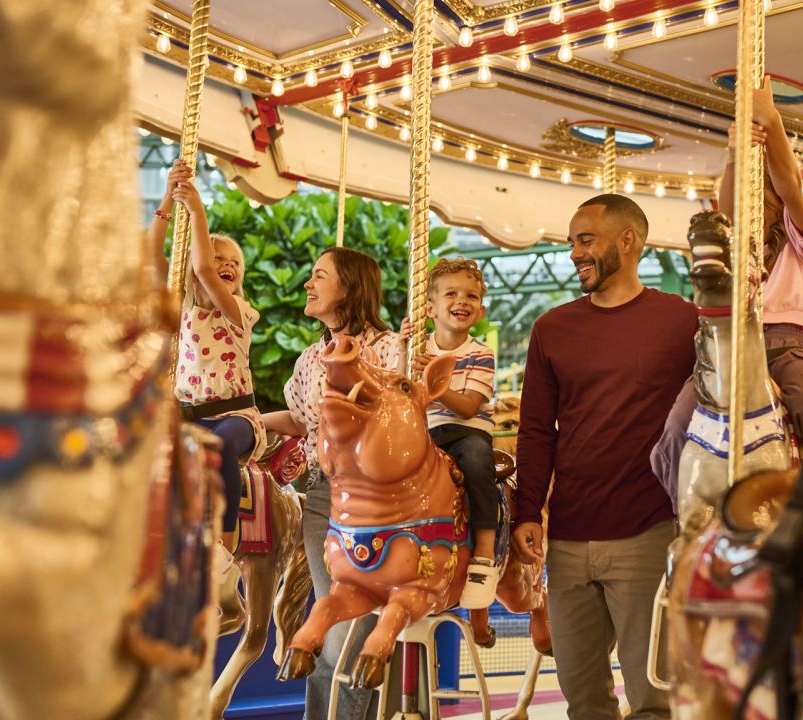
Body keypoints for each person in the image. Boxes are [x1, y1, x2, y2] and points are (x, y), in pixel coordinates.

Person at [513, 194, 698, 719]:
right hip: (569, 537)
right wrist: (528, 509)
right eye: (572, 242)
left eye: (586, 240)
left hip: (648, 532)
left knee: (653, 699)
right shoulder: (552, 328)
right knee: (583, 698)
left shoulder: (681, 321)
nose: (574, 253)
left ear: (628, 241)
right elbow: (534, 430)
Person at [650, 78, 803, 506]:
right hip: (728, 349)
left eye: (763, 193)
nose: (756, 203)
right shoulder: (741, 246)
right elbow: (729, 212)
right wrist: (735, 157)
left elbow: (791, 186)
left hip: (786, 346)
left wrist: (771, 122)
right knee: (679, 423)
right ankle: (684, 509)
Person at [262, 246, 400, 720]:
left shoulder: (388, 350)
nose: (308, 283)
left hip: (374, 497)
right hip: (323, 492)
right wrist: (249, 420)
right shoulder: (310, 357)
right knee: (329, 621)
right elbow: (302, 421)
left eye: (319, 275)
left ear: (349, 288)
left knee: (346, 628)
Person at [152, 159, 264, 552]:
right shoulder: (182, 308)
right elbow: (150, 255)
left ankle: (225, 544)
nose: (227, 266)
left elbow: (201, 269)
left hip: (236, 416)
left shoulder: (238, 312)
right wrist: (169, 195)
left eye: (235, 263)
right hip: (191, 416)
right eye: (220, 258)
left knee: (222, 447)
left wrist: (196, 208)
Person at [399, 257, 499, 609]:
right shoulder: (417, 350)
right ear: (429, 309)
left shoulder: (480, 354)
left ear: (481, 311)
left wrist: (436, 381)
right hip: (424, 433)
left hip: (465, 432)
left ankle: (485, 551)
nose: (462, 301)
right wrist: (401, 349)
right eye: (452, 294)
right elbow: (398, 390)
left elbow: (470, 406)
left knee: (476, 459)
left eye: (471, 296)